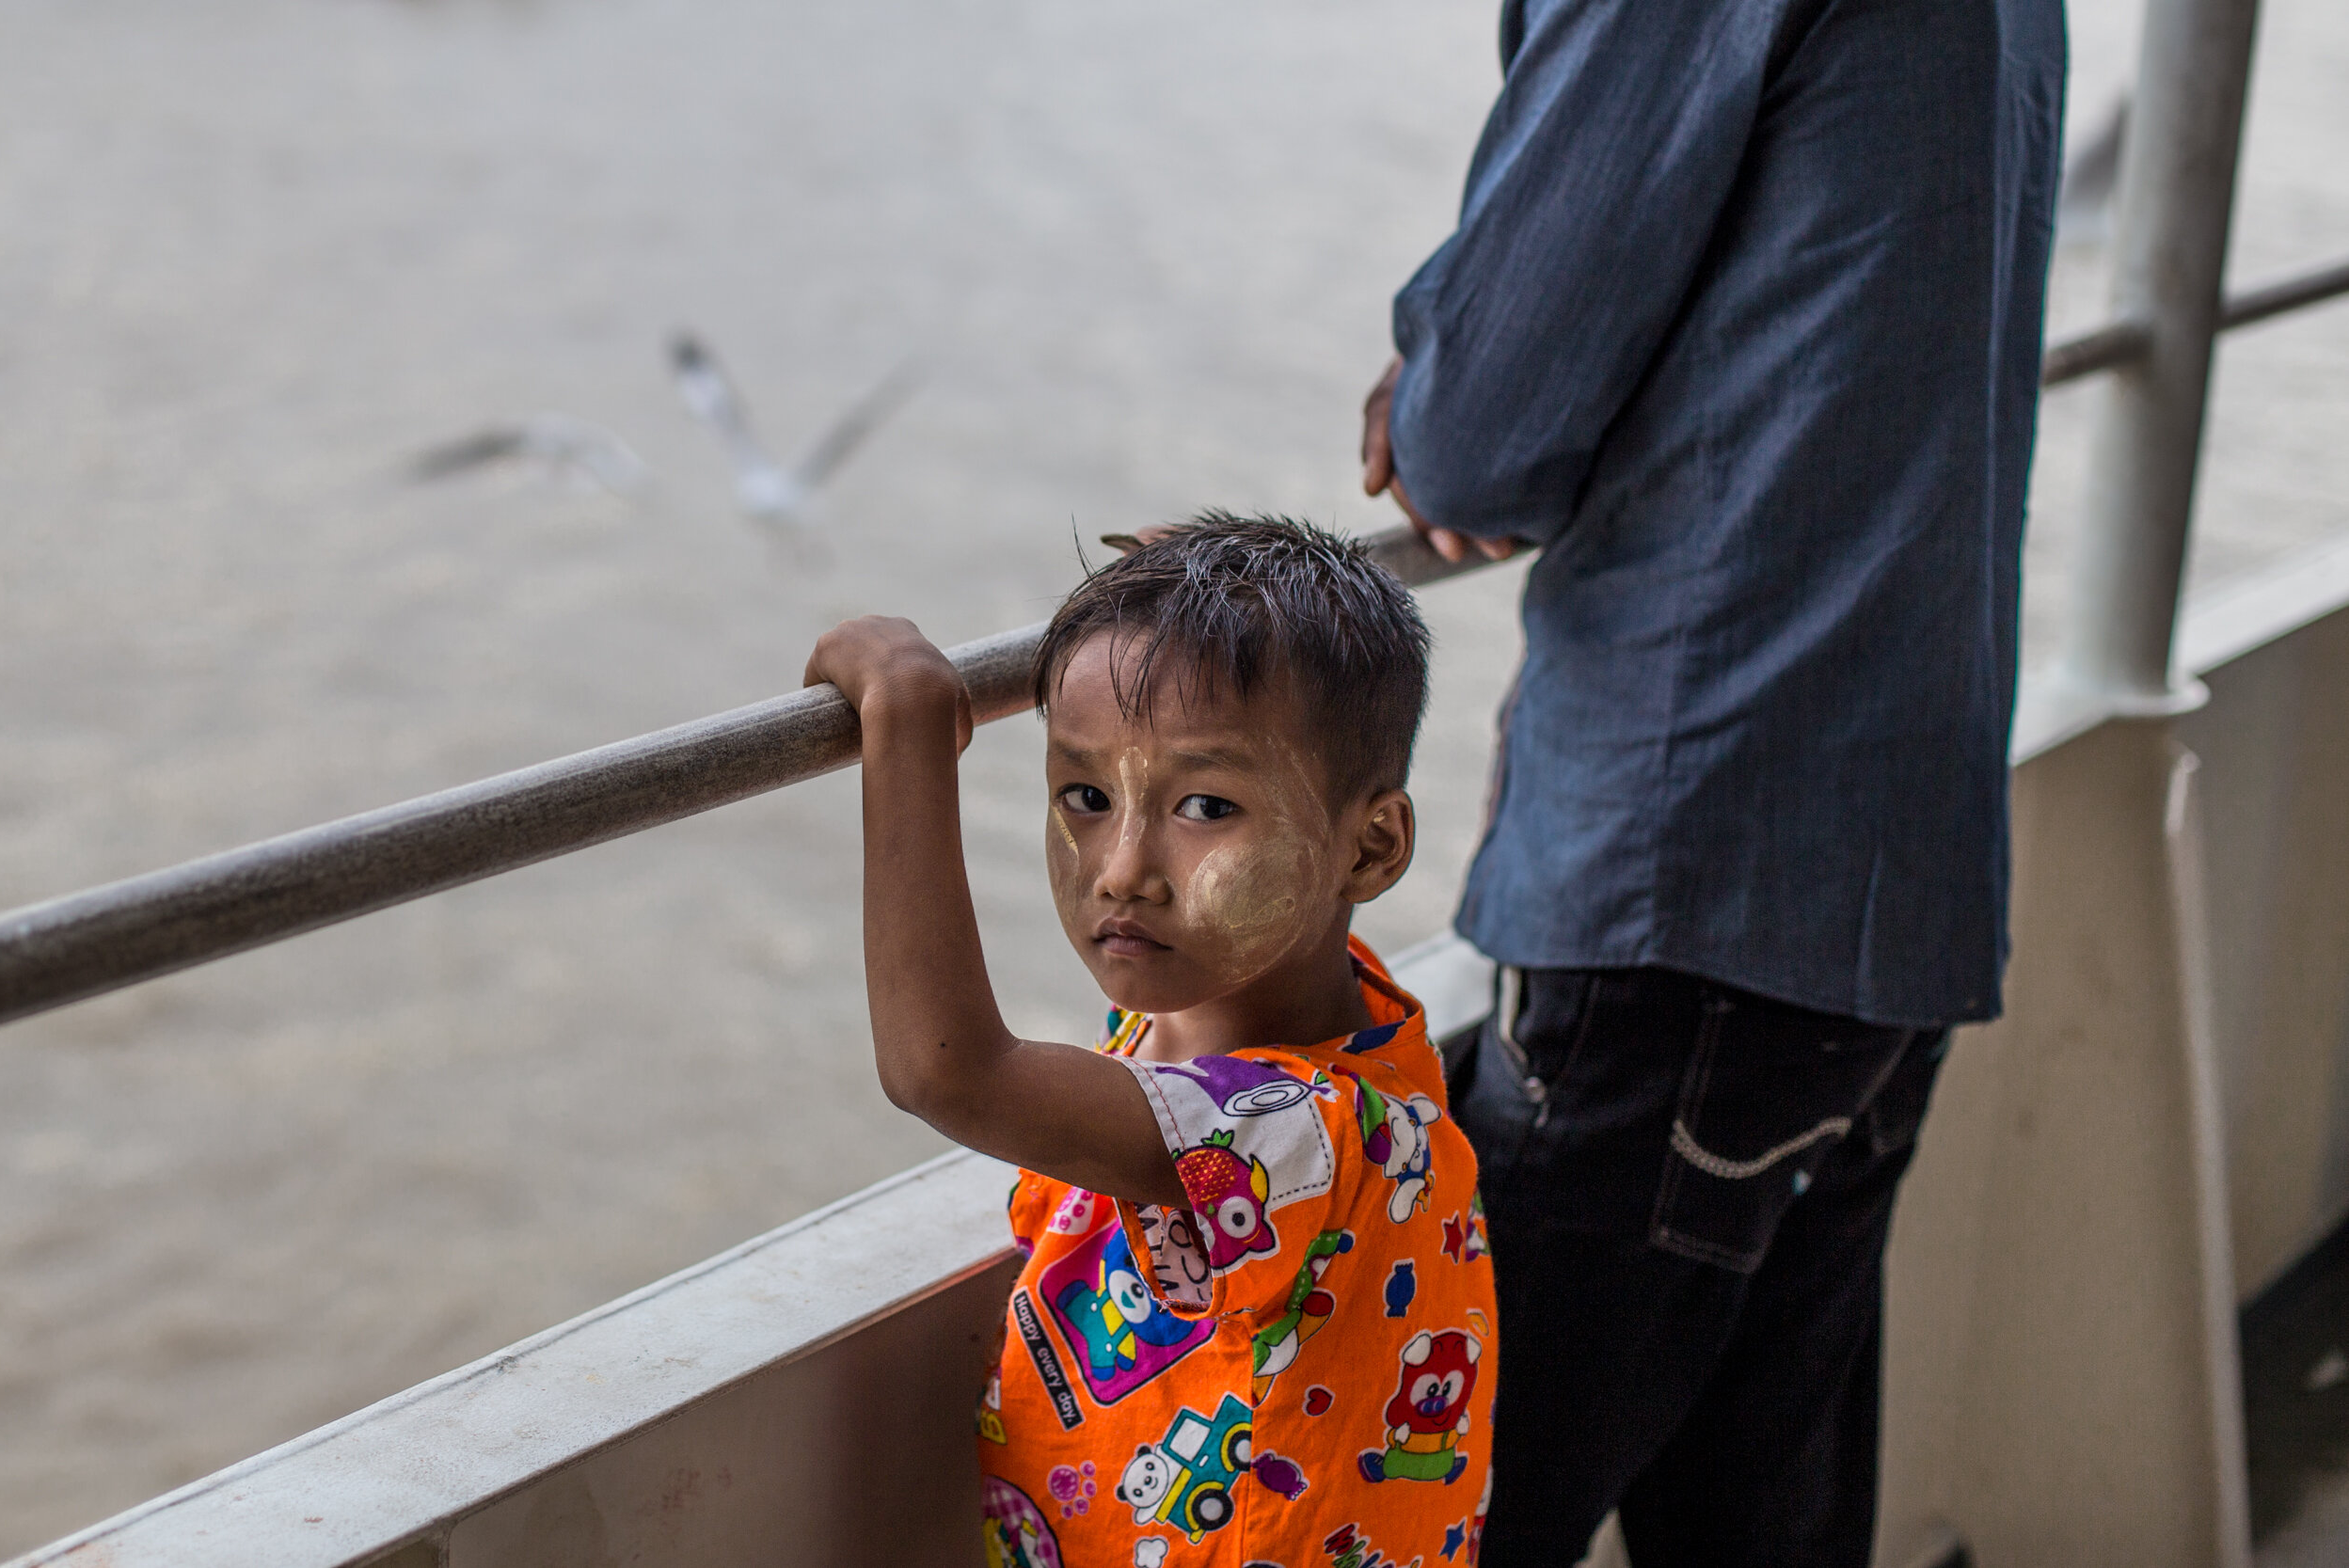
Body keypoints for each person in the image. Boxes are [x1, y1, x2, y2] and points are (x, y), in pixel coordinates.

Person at [1356, 0, 2066, 1562]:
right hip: (1888, 868)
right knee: (1760, 1519)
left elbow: (1478, 431)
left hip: (1694, 872)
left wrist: (1427, 374)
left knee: (1452, 1521)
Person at [803, 515, 1501, 1568]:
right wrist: (1192, 588)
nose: (1122, 865)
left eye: (1205, 805)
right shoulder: (1295, 1007)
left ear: (1372, 846)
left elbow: (948, 1071)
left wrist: (903, 725)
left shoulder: (1299, 1135)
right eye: (1085, 795)